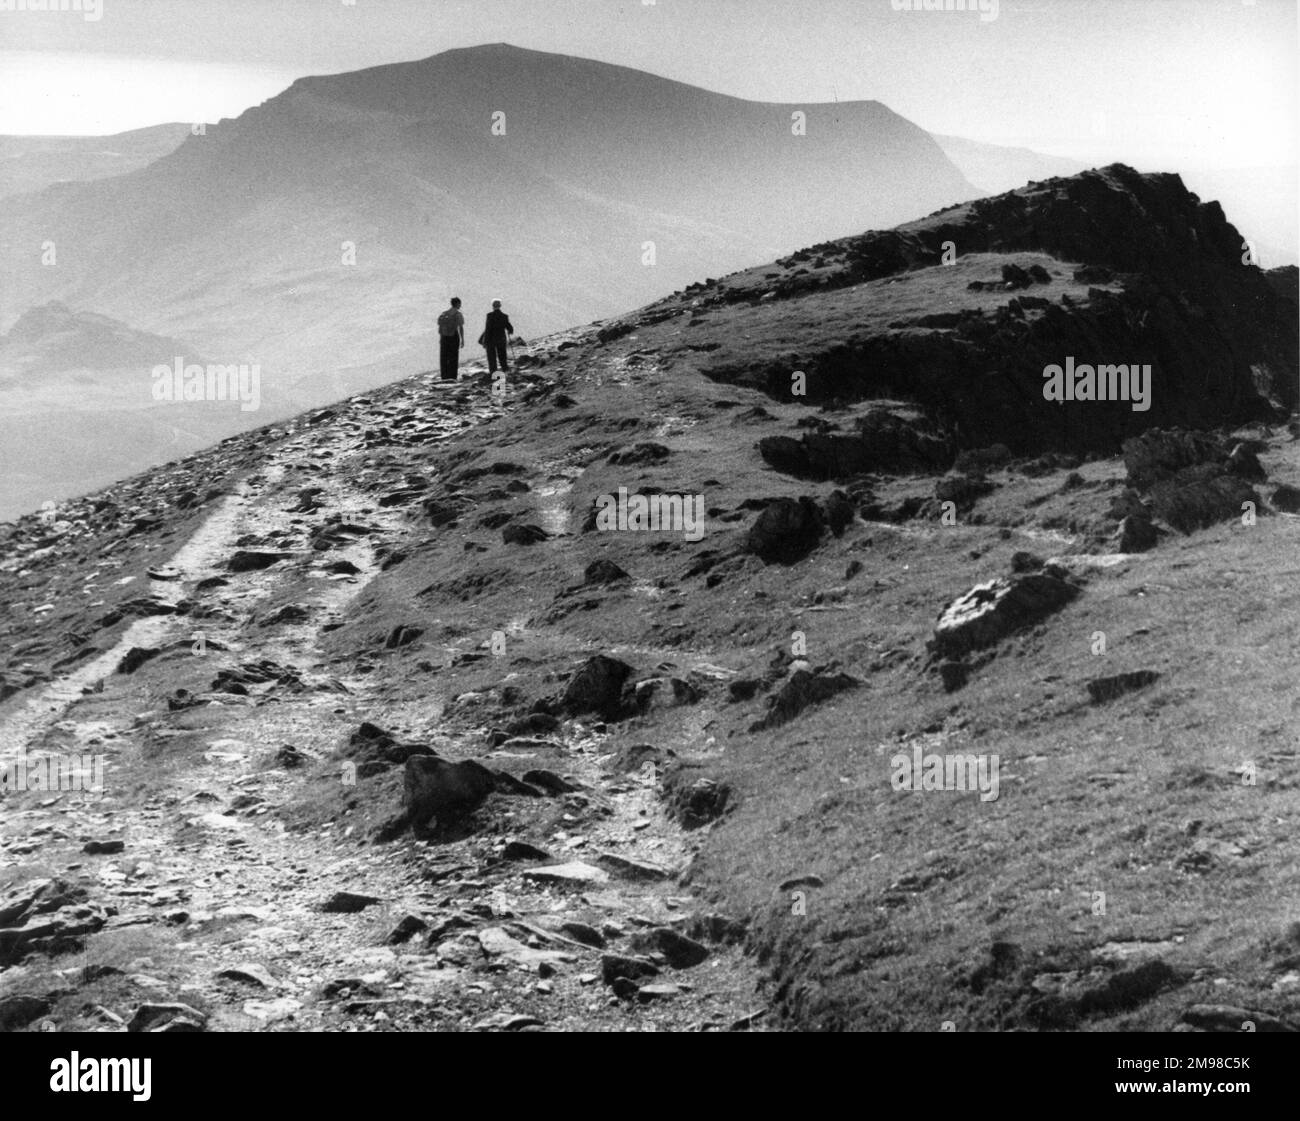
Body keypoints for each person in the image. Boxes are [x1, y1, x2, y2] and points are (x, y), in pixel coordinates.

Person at [481, 299, 514, 375]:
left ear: (492, 306)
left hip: (491, 340)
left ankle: (493, 373)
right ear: (500, 306)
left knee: (492, 358)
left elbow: (488, 329)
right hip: (501, 339)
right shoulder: (504, 316)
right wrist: (510, 331)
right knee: (502, 356)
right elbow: (510, 327)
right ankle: (505, 369)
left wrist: (485, 341)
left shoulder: (489, 315)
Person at [436, 297, 464, 381]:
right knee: (453, 357)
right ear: (458, 304)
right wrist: (462, 339)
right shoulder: (458, 314)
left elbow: (440, 326)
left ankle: (444, 376)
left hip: (444, 337)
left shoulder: (444, 313)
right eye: (460, 304)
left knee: (444, 357)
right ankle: (452, 376)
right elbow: (461, 327)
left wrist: (441, 338)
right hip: (453, 336)